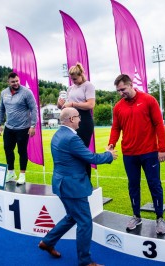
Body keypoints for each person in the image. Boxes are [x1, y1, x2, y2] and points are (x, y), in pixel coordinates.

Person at [38, 107, 117, 266]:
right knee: (85, 222)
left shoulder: (58, 134)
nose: (81, 119)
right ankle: (85, 261)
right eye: (78, 117)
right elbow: (90, 157)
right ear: (71, 119)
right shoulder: (71, 138)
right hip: (72, 187)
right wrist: (109, 155)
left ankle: (47, 242)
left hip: (62, 184)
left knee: (72, 217)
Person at [108, 74, 165, 235]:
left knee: (154, 185)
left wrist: (162, 148)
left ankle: (160, 218)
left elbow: (158, 124)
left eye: (123, 89)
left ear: (131, 85)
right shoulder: (118, 107)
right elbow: (115, 128)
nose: (121, 93)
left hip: (149, 152)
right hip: (129, 154)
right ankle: (136, 216)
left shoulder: (148, 100)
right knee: (133, 185)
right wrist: (111, 143)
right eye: (118, 91)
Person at [0, 72, 38, 185]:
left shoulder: (26, 92)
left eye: (17, 81)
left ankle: (22, 175)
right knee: (8, 150)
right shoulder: (4, 93)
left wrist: (33, 126)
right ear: (8, 82)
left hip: (23, 128)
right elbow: (1, 109)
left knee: (22, 151)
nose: (15, 83)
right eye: (13, 82)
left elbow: (34, 109)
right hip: (9, 127)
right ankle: (11, 173)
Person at [57, 63, 95, 178]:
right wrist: (60, 105)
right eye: (71, 79)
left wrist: (73, 104)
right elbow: (64, 106)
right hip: (70, 121)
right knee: (71, 151)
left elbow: (91, 104)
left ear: (81, 74)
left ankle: (86, 180)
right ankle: (75, 178)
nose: (73, 81)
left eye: (75, 78)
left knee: (81, 152)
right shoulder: (70, 88)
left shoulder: (88, 85)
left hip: (84, 121)